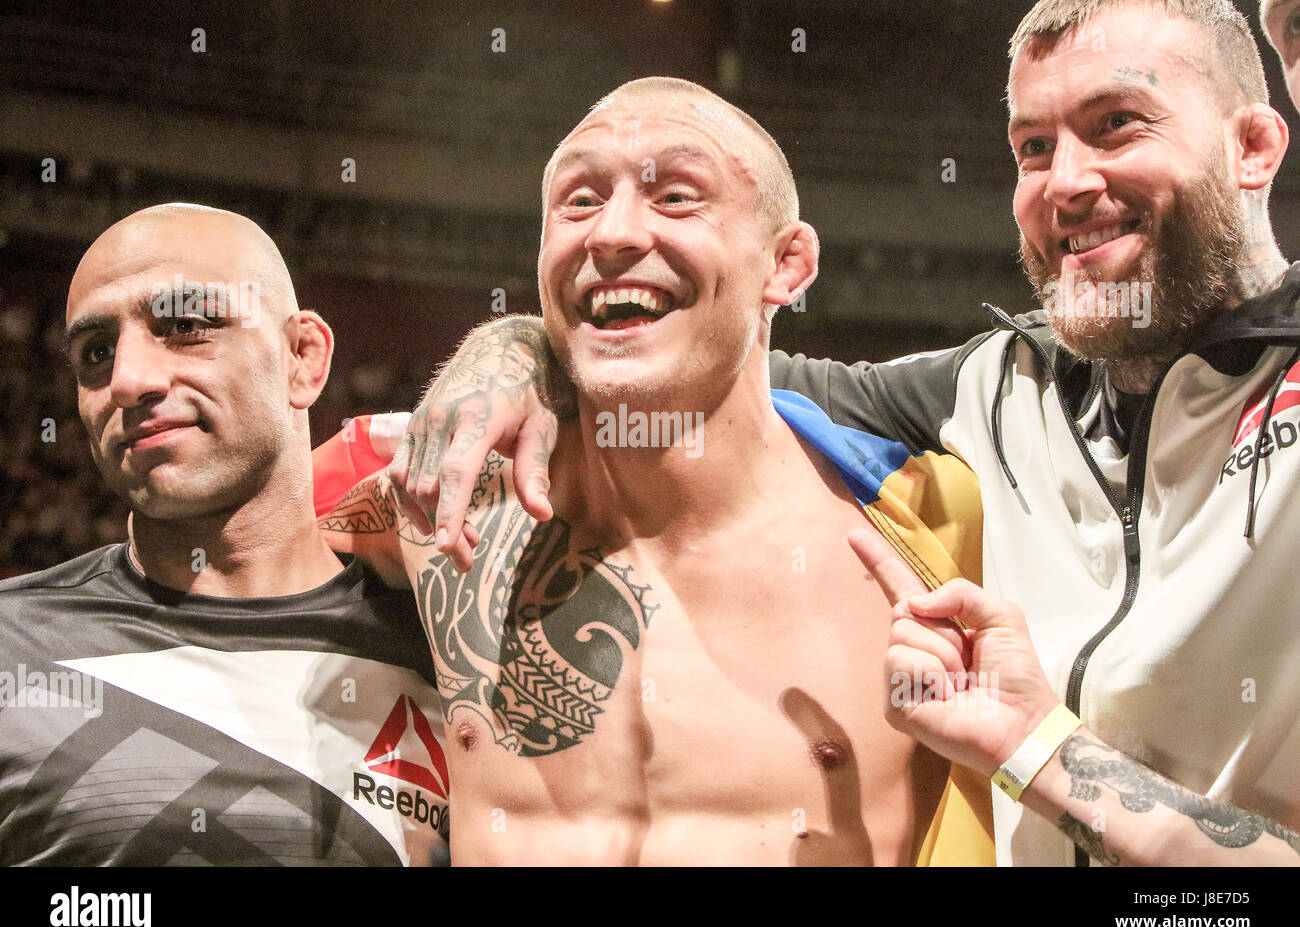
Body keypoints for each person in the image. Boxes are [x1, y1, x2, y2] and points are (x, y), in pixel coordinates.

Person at [357, 0, 1300, 866]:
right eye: (1033, 147)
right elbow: (706, 365)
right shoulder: (993, 396)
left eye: (1116, 126)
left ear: (1254, 145)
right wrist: (512, 351)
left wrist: (1034, 746)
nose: (1068, 181)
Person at [318, 77, 993, 865]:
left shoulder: (933, 531)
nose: (612, 233)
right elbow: (215, 552)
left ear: (787, 265)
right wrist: (509, 343)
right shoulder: (440, 495)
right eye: (577, 201)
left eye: (675, 196)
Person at [0, 203, 450, 866]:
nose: (126, 380)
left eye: (185, 325)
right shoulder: (13, 648)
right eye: (96, 352)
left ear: (304, 358)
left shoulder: (457, 644)